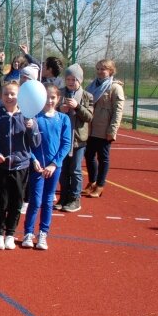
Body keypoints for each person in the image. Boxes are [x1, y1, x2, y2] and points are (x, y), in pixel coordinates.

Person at [0, 80, 41, 250]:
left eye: (13, 94)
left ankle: (10, 233)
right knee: (1, 202)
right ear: (1, 96)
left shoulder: (27, 117)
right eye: (6, 94)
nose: (9, 97)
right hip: (1, 167)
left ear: (19, 97)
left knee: (16, 202)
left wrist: (31, 128)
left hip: (21, 167)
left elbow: (36, 143)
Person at [22, 84, 71, 250]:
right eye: (47, 97)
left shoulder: (63, 119)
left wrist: (54, 164)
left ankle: (43, 233)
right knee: (35, 201)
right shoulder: (34, 118)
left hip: (53, 168)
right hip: (37, 167)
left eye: (53, 98)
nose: (50, 101)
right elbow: (27, 144)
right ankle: (28, 232)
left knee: (48, 200)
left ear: (58, 99)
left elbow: (66, 144)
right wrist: (33, 159)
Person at [84, 59, 124, 198]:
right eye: (98, 69)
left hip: (104, 129)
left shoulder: (115, 87)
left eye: (104, 69)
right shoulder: (91, 85)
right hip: (90, 128)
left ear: (111, 71)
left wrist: (112, 130)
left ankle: (100, 186)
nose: (100, 71)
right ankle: (92, 182)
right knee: (88, 155)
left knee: (103, 158)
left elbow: (118, 111)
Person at [56, 64, 93, 213]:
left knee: (75, 170)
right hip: (62, 139)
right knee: (63, 169)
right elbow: (51, 110)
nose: (71, 82)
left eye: (74, 79)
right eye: (68, 79)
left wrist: (77, 107)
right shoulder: (60, 93)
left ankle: (75, 198)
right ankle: (63, 197)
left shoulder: (87, 96)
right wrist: (60, 109)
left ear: (80, 81)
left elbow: (89, 117)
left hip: (78, 140)